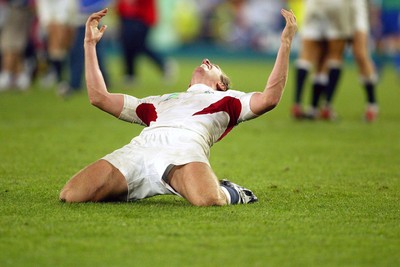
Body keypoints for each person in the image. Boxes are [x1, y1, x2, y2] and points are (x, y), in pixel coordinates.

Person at [59, 8, 297, 206]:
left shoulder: (230, 100)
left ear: (221, 85)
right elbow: (99, 97)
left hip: (184, 151)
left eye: (213, 65)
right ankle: (126, 186)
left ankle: (232, 192)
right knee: (71, 195)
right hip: (140, 149)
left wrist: (285, 43)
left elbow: (270, 98)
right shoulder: (160, 101)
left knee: (207, 199)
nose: (205, 61)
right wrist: (89, 46)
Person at [115, 0, 175, 85]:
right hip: (127, 17)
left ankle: (163, 64)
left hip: (141, 17)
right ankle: (130, 74)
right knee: (128, 46)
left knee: (139, 46)